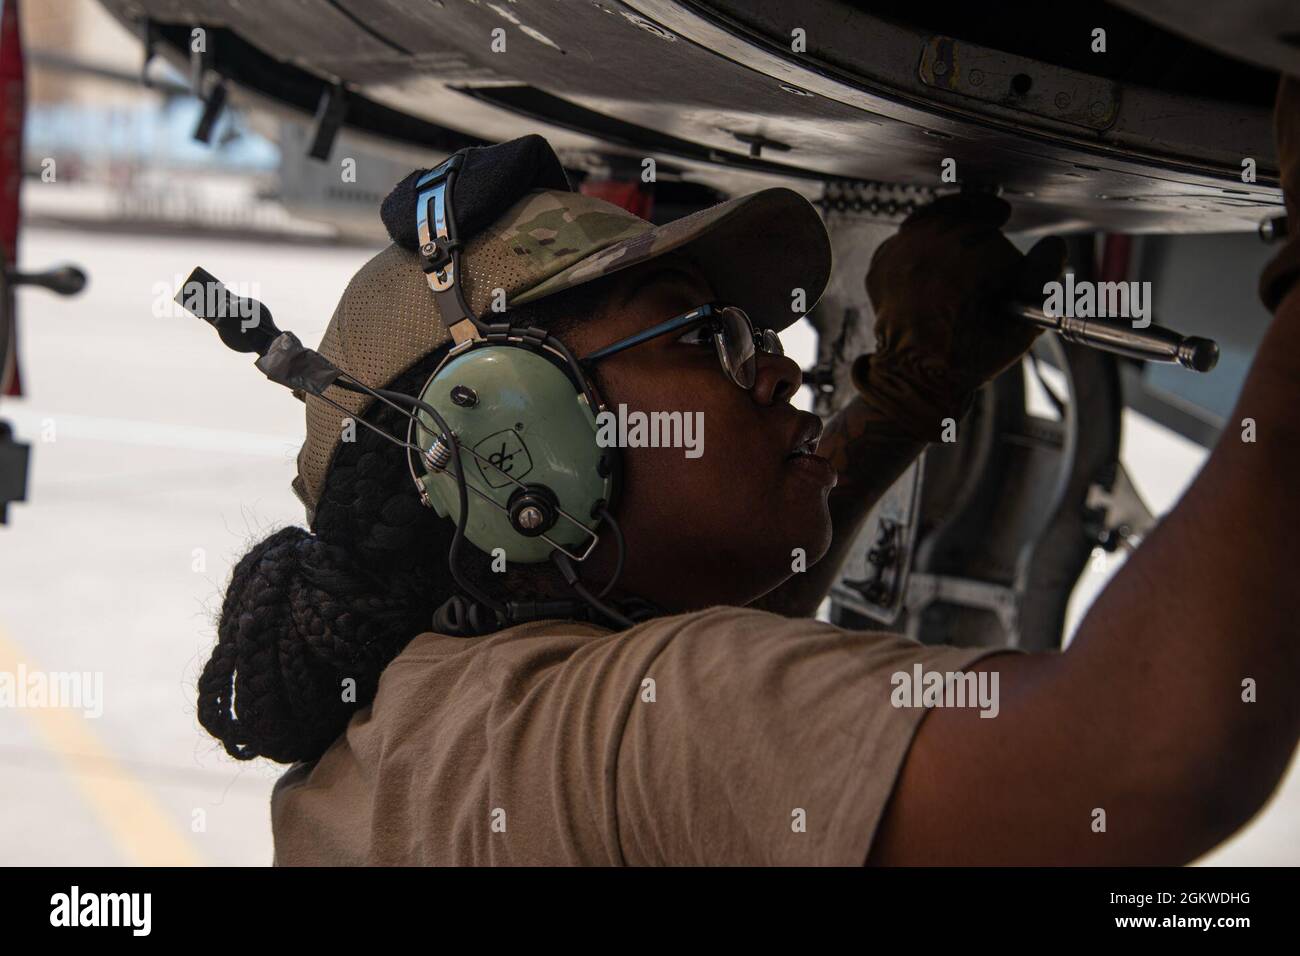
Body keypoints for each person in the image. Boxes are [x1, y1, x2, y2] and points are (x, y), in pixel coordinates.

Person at [198, 79, 1300, 865]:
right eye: (699, 340)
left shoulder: (432, 729)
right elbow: (1149, 752)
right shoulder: (633, 724)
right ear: (516, 449)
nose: (776, 373)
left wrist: (905, 396)